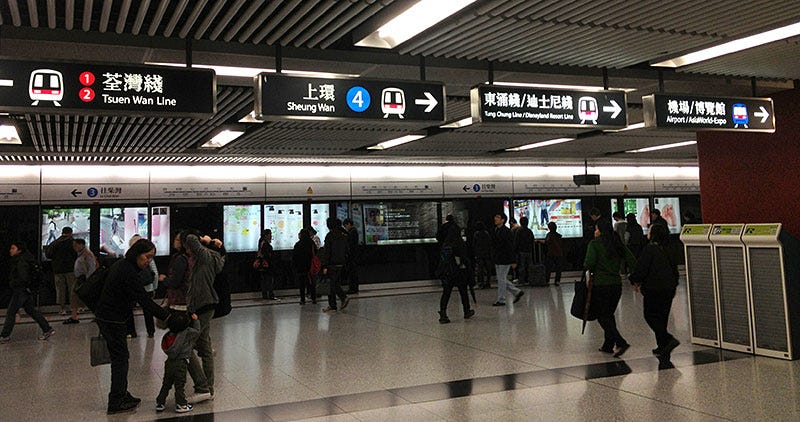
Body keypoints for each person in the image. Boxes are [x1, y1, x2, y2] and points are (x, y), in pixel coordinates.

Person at [94, 238, 171, 414]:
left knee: (121, 357)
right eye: (147, 256)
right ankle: (116, 401)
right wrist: (167, 316)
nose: (149, 261)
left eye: (152, 257)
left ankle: (121, 392)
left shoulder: (124, 266)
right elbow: (145, 301)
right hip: (112, 318)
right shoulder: (127, 271)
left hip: (110, 316)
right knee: (120, 359)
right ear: (137, 253)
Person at [584, 220, 637, 358]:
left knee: (602, 316)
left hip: (600, 285)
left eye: (596, 229)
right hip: (616, 285)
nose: (595, 232)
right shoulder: (617, 243)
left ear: (600, 231)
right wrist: (635, 279)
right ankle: (608, 344)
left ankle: (620, 342)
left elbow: (589, 263)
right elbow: (632, 260)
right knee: (608, 314)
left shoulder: (594, 244)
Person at [182, 231, 224, 401]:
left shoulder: (205, 256)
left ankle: (202, 387)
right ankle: (209, 388)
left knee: (186, 346)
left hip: (203, 306)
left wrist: (205, 239)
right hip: (205, 305)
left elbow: (191, 238)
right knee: (205, 348)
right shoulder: (212, 257)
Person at [629, 224, 681, 359]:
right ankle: (663, 346)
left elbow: (642, 269)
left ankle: (667, 339)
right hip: (668, 287)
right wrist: (675, 285)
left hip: (653, 288)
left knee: (650, 315)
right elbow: (675, 270)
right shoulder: (669, 249)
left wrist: (634, 279)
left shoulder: (650, 249)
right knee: (662, 317)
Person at [0, 241, 55, 343]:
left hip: (20, 290)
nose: (10, 250)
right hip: (26, 290)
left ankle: (5, 335)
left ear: (19, 250)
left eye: (13, 248)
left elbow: (23, 277)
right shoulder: (26, 259)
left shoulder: (20, 261)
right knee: (31, 311)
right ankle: (47, 329)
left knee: (11, 312)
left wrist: (13, 283)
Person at [156, 310, 200, 414]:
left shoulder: (168, 335)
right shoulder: (187, 333)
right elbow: (197, 331)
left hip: (169, 362)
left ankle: (160, 403)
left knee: (166, 383)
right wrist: (196, 320)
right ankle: (181, 404)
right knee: (179, 385)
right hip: (181, 363)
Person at [437, 224, 475, 323]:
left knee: (446, 293)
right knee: (463, 292)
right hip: (459, 272)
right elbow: (463, 258)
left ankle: (443, 313)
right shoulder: (459, 243)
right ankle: (466, 310)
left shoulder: (446, 244)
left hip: (447, 273)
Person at [125, 234, 158, 338]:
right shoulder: (149, 258)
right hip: (147, 287)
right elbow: (155, 273)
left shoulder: (127, 260)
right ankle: (151, 331)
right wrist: (154, 287)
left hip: (131, 289)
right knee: (148, 309)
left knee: (129, 310)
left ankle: (131, 332)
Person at [45, 226, 80, 322]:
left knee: (60, 290)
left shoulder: (55, 243)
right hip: (70, 269)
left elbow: (48, 254)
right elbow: (78, 254)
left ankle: (62, 309)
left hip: (57, 270)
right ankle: (74, 309)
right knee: (72, 290)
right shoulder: (73, 242)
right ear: (71, 233)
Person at [491, 213, 523, 306]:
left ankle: (501, 299)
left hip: (505, 259)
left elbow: (510, 247)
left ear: (503, 220)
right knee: (501, 279)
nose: (495, 219)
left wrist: (513, 260)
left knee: (501, 279)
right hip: (498, 258)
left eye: (498, 217)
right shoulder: (496, 230)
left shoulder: (506, 231)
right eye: (495, 217)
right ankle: (517, 292)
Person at [320, 218, 350, 312]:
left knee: (331, 284)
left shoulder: (330, 235)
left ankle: (336, 302)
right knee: (334, 282)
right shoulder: (343, 235)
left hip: (331, 263)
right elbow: (347, 249)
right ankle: (340, 299)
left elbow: (327, 251)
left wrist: (324, 265)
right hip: (341, 263)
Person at [292, 228, 316, 305]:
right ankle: (313, 298)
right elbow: (315, 252)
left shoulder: (298, 244)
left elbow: (294, 256)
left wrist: (295, 266)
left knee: (302, 283)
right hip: (310, 265)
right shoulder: (311, 243)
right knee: (311, 282)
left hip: (301, 266)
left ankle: (302, 299)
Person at [514, 216, 535, 286]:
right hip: (529, 251)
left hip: (521, 251)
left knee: (521, 266)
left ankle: (521, 280)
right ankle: (530, 279)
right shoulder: (529, 231)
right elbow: (532, 240)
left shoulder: (518, 231)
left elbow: (516, 242)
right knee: (529, 266)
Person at [257, 229, 277, 300]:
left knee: (264, 280)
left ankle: (265, 295)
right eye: (270, 234)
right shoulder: (265, 244)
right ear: (266, 235)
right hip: (267, 264)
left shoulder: (261, 242)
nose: (271, 236)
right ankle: (270, 294)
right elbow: (267, 255)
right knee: (269, 280)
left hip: (263, 264)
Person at [471, 221, 492, 289]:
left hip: (479, 253)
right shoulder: (486, 233)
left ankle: (480, 283)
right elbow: (489, 243)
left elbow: (474, 244)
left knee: (480, 269)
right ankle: (488, 282)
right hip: (486, 253)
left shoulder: (476, 234)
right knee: (488, 268)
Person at [342, 218, 360, 294]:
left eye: (346, 226)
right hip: (353, 255)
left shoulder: (352, 232)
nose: (346, 228)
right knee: (352, 272)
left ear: (349, 224)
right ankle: (353, 287)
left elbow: (350, 243)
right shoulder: (352, 231)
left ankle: (353, 288)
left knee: (352, 272)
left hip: (352, 256)